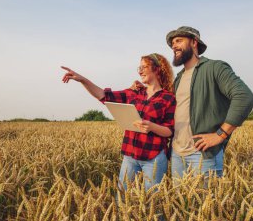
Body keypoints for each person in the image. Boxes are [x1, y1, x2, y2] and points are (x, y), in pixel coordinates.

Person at [61, 53, 176, 191]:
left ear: (157, 69)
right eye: (139, 67)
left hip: (154, 157)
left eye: (144, 67)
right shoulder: (133, 92)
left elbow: (169, 130)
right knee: (121, 197)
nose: (140, 70)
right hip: (130, 156)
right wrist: (81, 80)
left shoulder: (169, 98)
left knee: (153, 201)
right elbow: (103, 95)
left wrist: (151, 126)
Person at [164, 26, 253, 180]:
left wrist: (221, 134)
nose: (174, 46)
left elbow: (244, 96)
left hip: (202, 154)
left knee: (207, 203)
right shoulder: (178, 78)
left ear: (194, 42)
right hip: (177, 154)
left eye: (179, 41)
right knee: (180, 202)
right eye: (172, 43)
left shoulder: (215, 68)